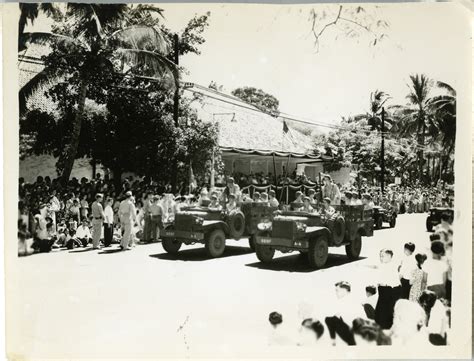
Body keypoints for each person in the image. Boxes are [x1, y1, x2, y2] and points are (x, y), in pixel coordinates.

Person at [325, 281, 360, 346]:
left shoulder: (347, 302)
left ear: (344, 290)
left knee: (329, 319)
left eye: (337, 290)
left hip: (356, 334)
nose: (336, 293)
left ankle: (333, 342)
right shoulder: (347, 301)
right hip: (354, 333)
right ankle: (333, 341)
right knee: (330, 319)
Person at [375, 249, 401, 330]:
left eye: (383, 256)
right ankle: (382, 326)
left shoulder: (391, 266)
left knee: (387, 311)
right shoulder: (384, 265)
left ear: (389, 257)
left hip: (390, 291)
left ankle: (386, 327)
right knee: (381, 311)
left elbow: (391, 281)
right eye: (380, 256)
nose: (381, 258)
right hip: (384, 290)